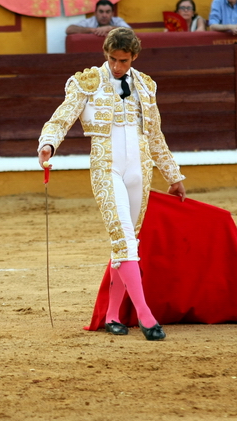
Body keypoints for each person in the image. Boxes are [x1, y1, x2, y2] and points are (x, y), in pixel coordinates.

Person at [37, 27, 186, 341]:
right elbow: (62, 117)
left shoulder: (145, 85)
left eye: (124, 60)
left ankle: (114, 315)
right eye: (112, 59)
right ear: (105, 54)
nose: (117, 66)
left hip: (140, 170)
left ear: (133, 57)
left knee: (127, 244)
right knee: (124, 240)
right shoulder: (87, 82)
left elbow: (155, 136)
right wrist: (48, 144)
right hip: (107, 168)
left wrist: (173, 176)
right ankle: (145, 317)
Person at [66, 0, 131, 37]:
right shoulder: (90, 21)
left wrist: (110, 28)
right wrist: (94, 30)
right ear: (95, 13)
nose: (104, 15)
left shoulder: (117, 20)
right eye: (101, 12)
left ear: (112, 14)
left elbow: (130, 31)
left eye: (108, 12)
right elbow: (69, 29)